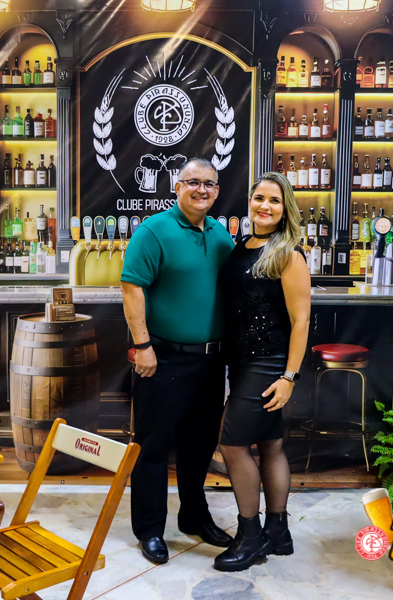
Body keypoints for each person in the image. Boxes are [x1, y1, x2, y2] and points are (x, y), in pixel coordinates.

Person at [120, 158, 236, 564]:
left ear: (217, 191)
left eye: (209, 184)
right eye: (193, 182)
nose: (201, 190)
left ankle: (194, 516)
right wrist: (143, 345)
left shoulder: (220, 234)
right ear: (177, 186)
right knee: (153, 448)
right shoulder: (153, 231)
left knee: (199, 445)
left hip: (211, 361)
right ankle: (150, 529)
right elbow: (131, 288)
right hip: (164, 357)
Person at [213, 172, 311, 572]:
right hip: (241, 361)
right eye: (259, 198)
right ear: (249, 202)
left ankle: (250, 536)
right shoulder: (241, 246)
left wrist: (289, 377)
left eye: (274, 200)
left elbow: (301, 321)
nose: (264, 206)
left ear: (285, 209)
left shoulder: (288, 254)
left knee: (233, 446)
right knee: (270, 445)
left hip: (267, 363)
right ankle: (278, 532)